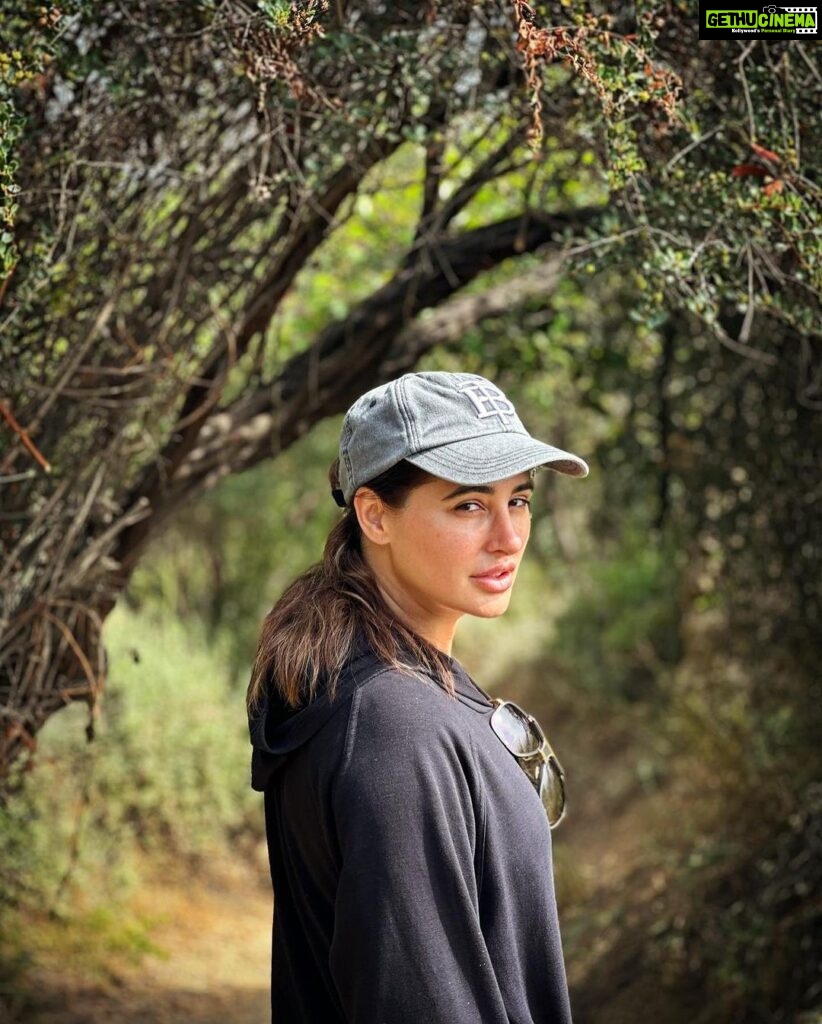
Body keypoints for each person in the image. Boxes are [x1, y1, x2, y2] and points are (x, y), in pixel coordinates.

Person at [247, 371, 588, 1023]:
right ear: (375, 514)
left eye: (518, 500)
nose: (508, 537)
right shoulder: (394, 729)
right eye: (468, 505)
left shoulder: (400, 685)